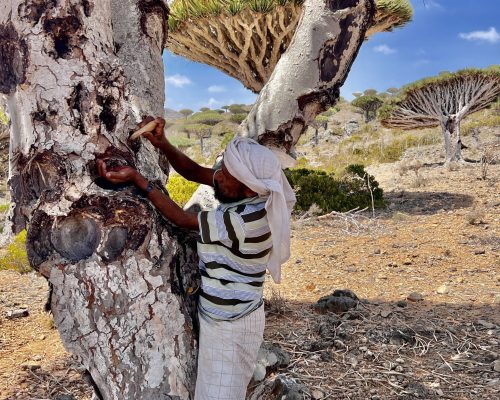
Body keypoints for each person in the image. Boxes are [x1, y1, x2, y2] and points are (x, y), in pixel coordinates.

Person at [97, 117, 296, 399]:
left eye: (225, 176)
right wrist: (163, 144)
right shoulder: (248, 185)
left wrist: (137, 180)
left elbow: (181, 218)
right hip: (226, 315)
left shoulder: (246, 221)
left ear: (250, 188)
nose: (218, 177)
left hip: (232, 326)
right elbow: (194, 172)